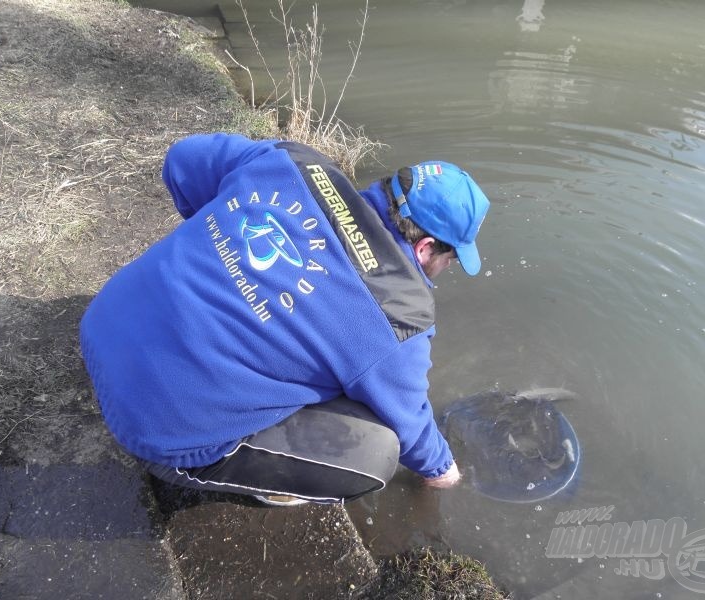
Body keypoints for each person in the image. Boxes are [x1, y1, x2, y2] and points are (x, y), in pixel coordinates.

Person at [80, 133, 490, 506]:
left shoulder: (293, 162)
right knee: (377, 454)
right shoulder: (400, 314)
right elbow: (410, 425)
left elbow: (182, 159)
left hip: (101, 327)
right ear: (425, 249)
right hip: (154, 433)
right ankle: (268, 485)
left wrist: (224, 253)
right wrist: (443, 472)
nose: (446, 268)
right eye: (450, 259)